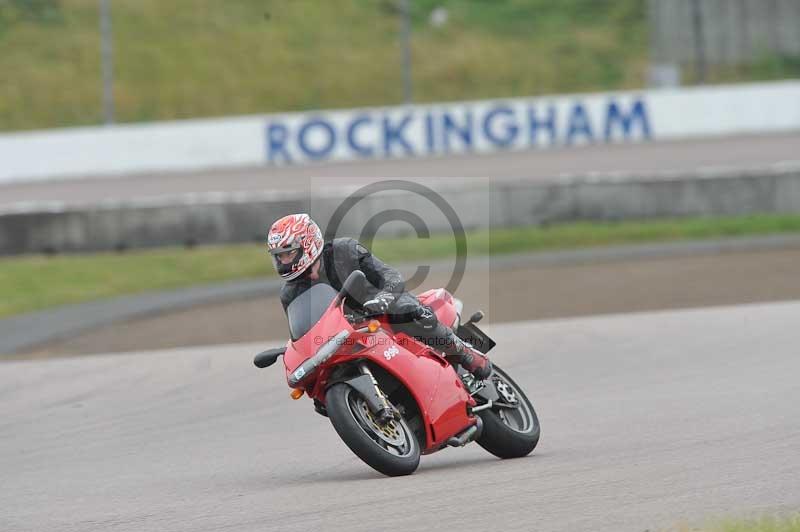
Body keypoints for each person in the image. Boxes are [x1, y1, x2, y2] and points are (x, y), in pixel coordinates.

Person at [267, 213, 492, 380]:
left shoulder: (343, 251)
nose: (283, 261)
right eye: (279, 256)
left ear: (307, 244)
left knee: (408, 313)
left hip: (382, 310)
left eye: (288, 253)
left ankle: (464, 352)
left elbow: (390, 275)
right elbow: (304, 331)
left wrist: (384, 298)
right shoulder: (290, 293)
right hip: (344, 335)